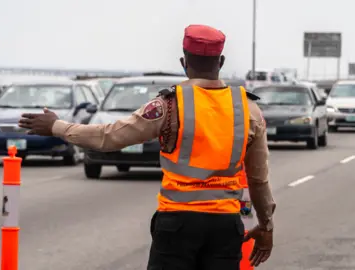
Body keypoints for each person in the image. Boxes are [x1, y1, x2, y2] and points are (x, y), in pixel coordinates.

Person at [18, 24, 276, 270]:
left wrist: (56, 126)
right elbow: (258, 179)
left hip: (177, 225)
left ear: (184, 63)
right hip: (225, 227)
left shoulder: (168, 105)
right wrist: (265, 226)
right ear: (220, 62)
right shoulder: (248, 110)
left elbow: (108, 137)